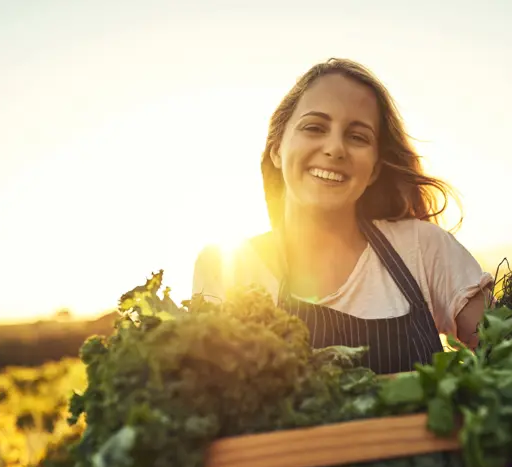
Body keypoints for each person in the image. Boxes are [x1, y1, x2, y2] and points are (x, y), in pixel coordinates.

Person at [192, 58, 493, 375]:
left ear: (375, 168)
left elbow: (510, 357)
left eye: (358, 136)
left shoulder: (423, 247)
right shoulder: (226, 268)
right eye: (314, 128)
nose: (335, 148)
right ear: (277, 149)